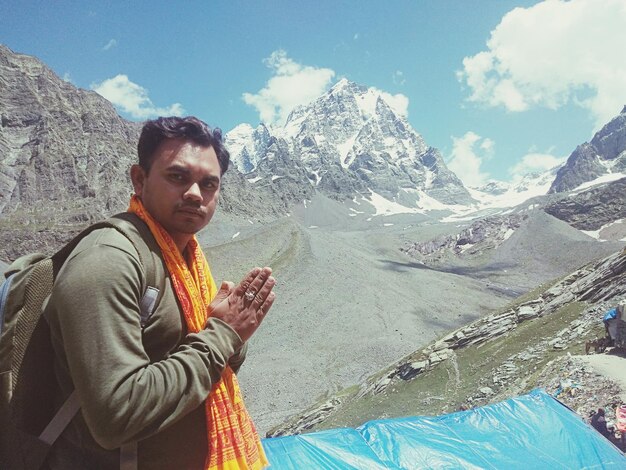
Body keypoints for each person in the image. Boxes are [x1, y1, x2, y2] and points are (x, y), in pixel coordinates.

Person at [43, 116, 274, 469]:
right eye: (178, 177)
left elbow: (202, 366)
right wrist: (223, 335)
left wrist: (232, 337)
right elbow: (116, 415)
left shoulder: (188, 262)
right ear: (139, 178)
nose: (195, 194)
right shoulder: (109, 259)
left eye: (209, 184)